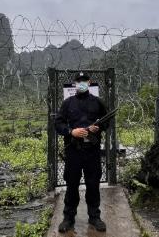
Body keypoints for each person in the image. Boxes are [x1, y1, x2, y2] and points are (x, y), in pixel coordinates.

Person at [55, 71, 108, 233]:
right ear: (75, 83)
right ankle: (68, 218)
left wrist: (96, 129)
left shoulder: (98, 102)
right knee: (72, 185)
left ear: (89, 82)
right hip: (73, 151)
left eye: (84, 80)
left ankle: (94, 217)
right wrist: (72, 131)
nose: (82, 83)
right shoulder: (67, 103)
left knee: (93, 184)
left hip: (92, 151)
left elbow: (107, 122)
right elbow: (58, 123)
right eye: (79, 81)